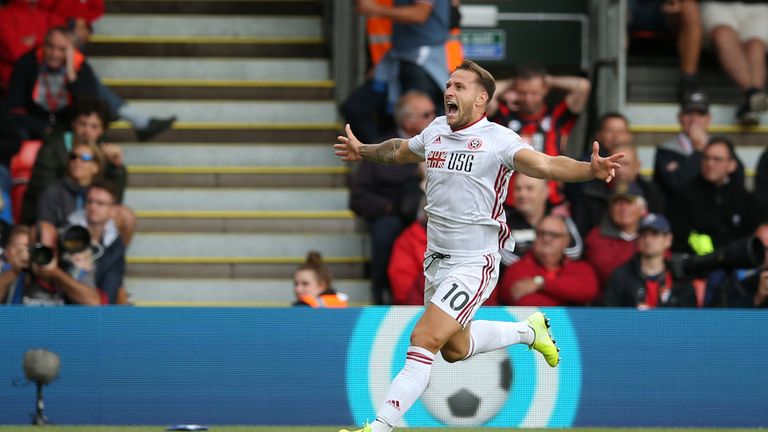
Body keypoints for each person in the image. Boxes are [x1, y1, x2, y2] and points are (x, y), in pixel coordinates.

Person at [334, 59, 623, 432]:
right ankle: (527, 331)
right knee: (454, 350)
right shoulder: (437, 129)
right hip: (435, 260)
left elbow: (548, 165)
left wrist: (589, 170)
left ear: (482, 99)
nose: (449, 91)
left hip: (474, 261)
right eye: (449, 85)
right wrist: (364, 150)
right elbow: (401, 150)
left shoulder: (499, 140)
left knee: (423, 338)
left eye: (459, 86)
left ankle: (380, 427)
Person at [349, 91, 432, 304]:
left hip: (438, 216)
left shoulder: (445, 143)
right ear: (407, 120)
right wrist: (388, 207)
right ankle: (382, 298)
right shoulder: (382, 148)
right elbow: (358, 196)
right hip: (396, 216)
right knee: (385, 229)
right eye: (426, 114)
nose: (433, 118)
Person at [490, 62, 591, 207]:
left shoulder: (557, 116)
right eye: (523, 93)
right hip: (510, 202)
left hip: (552, 201)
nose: (528, 99)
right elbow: (483, 93)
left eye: (534, 93)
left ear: (545, 90)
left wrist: (548, 80)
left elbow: (583, 86)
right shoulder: (503, 116)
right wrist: (512, 82)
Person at [22, 96, 127, 224]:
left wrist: (116, 168)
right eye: (83, 124)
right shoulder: (52, 147)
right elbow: (44, 191)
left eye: (94, 127)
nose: (87, 131)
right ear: (73, 124)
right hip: (52, 214)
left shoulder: (105, 152)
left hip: (91, 212)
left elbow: (114, 199)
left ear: (102, 131)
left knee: (125, 216)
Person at [668, 137, 758, 254]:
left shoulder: (744, 197)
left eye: (717, 159)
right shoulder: (684, 195)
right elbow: (678, 236)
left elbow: (751, 235)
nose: (710, 163)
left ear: (731, 165)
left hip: (736, 264)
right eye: (706, 158)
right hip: (697, 263)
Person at [6, 25, 98, 139]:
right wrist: (42, 128)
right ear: (43, 45)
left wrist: (71, 74)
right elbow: (15, 107)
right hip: (34, 125)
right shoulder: (27, 64)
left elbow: (88, 108)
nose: (55, 54)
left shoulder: (81, 68)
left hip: (68, 126)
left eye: (62, 49)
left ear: (71, 51)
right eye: (50, 47)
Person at [653, 90, 745, 201]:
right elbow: (677, 185)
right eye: (688, 113)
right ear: (679, 117)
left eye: (700, 114)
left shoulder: (721, 147)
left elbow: (738, 179)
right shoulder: (665, 151)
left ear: (709, 119)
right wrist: (699, 152)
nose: (694, 119)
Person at [497, 215, 599, 306]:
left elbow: (588, 291)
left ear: (567, 241)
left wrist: (541, 283)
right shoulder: (517, 268)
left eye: (554, 235)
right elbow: (526, 303)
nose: (546, 239)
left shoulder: (581, 268)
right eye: (542, 233)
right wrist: (569, 299)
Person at [604, 213, 698, 308]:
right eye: (643, 235)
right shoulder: (621, 276)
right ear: (637, 240)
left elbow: (689, 319)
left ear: (668, 239)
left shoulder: (679, 278)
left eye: (655, 234)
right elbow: (610, 316)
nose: (648, 240)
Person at [0, 222, 105, 305]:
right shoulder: (14, 270)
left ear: (59, 249)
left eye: (50, 250)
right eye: (38, 250)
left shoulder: (72, 269)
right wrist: (14, 272)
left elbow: (94, 302)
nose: (43, 255)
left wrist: (56, 273)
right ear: (29, 249)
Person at [699, 0, 768, 125]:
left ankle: (752, 101)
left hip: (760, 5)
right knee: (723, 34)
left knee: (756, 45)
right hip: (716, 4)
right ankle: (754, 96)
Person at [574, 144, 665, 236]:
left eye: (626, 164)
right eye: (615, 164)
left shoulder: (652, 193)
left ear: (637, 166)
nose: (620, 169)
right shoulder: (591, 192)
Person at [64, 180, 128, 304]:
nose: (93, 207)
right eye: (90, 201)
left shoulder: (116, 243)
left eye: (100, 203)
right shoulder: (67, 232)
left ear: (113, 209)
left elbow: (112, 285)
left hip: (97, 309)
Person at [504, 173, 582, 264]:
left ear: (546, 192)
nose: (522, 194)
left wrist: (531, 252)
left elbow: (575, 251)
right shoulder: (503, 221)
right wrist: (551, 253)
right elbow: (508, 259)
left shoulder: (560, 219)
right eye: (518, 189)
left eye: (529, 189)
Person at [584, 181, 646, 287]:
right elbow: (607, 272)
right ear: (610, 209)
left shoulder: (652, 232)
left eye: (629, 203)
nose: (623, 209)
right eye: (618, 203)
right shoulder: (597, 236)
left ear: (642, 209)